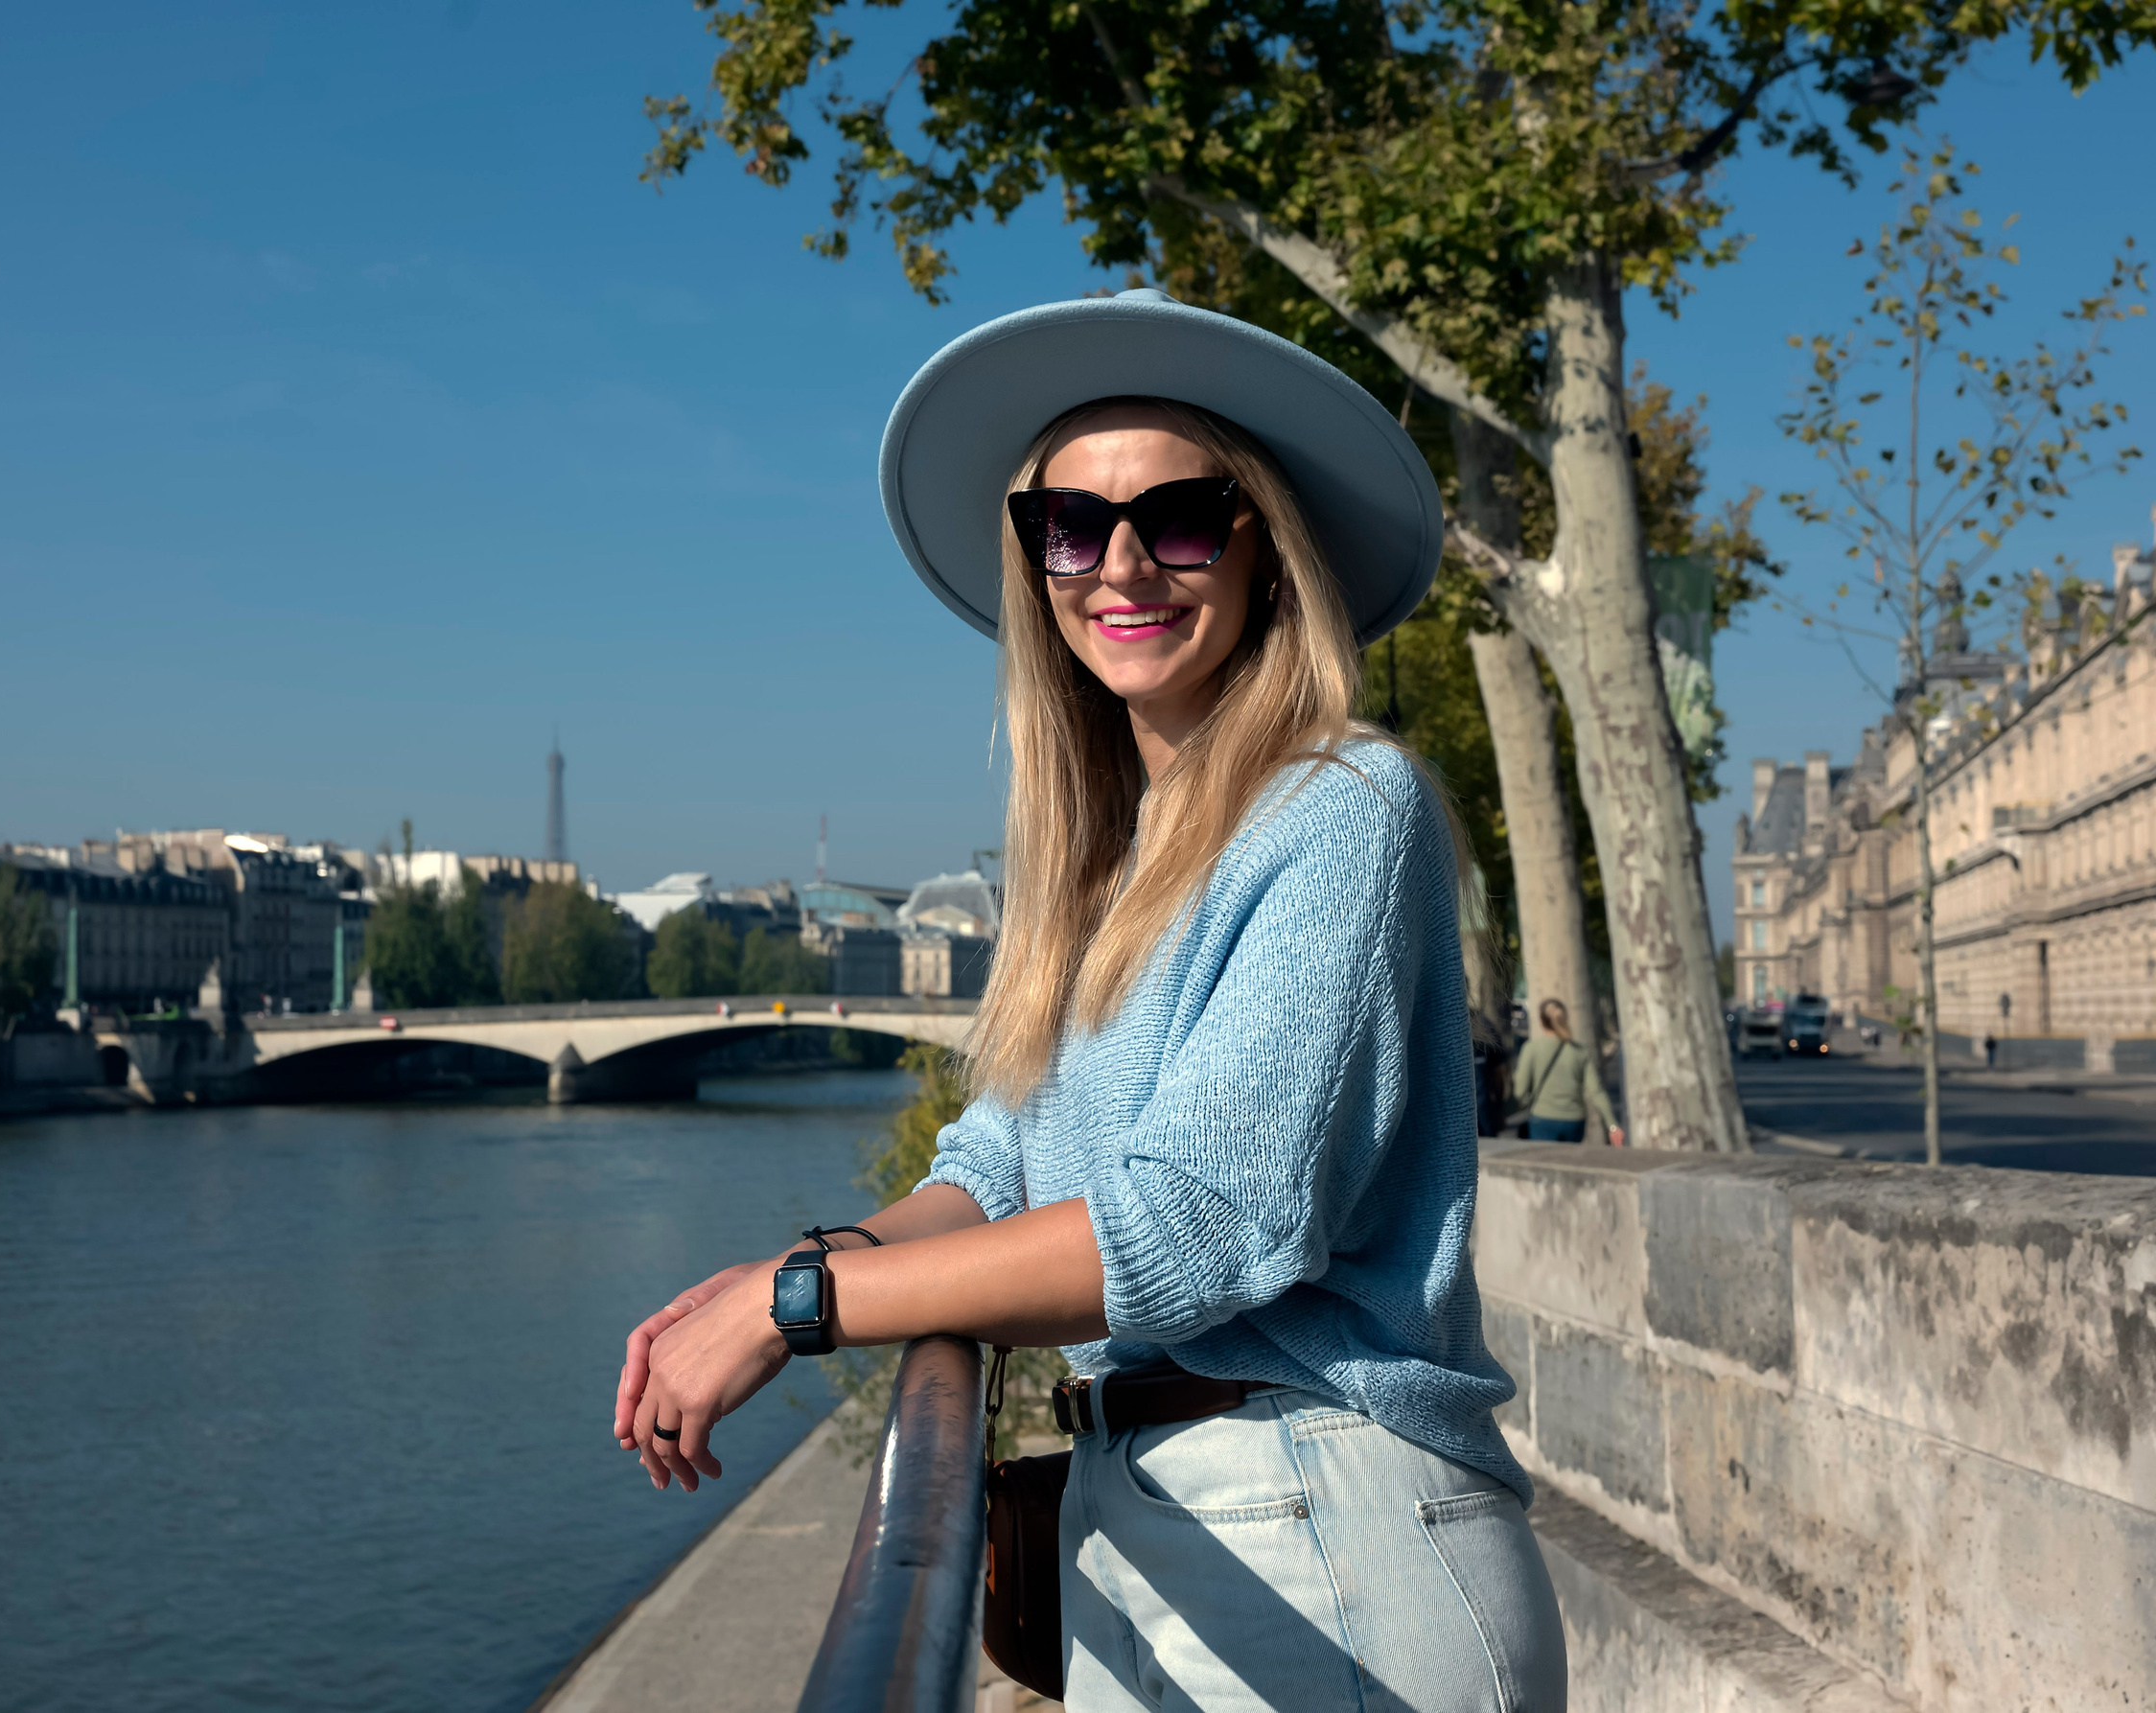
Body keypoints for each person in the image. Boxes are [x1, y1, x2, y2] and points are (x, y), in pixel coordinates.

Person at [612, 290, 1565, 1711]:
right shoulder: (1101, 864)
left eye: (1183, 517)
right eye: (1070, 524)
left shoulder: (1345, 804)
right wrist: (792, 1263)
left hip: (1322, 1541)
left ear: (1265, 551)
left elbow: (1199, 1228)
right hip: (1160, 1530)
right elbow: (990, 1167)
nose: (1122, 563)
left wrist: (803, 1303)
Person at [1513, 998, 1625, 1145]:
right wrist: (1613, 1125)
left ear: (1541, 1022)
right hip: (1575, 1121)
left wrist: (1529, 1100)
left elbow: (1520, 1091)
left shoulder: (1531, 1049)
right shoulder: (1580, 1051)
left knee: (1545, 1165)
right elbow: (1596, 1091)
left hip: (1542, 1119)